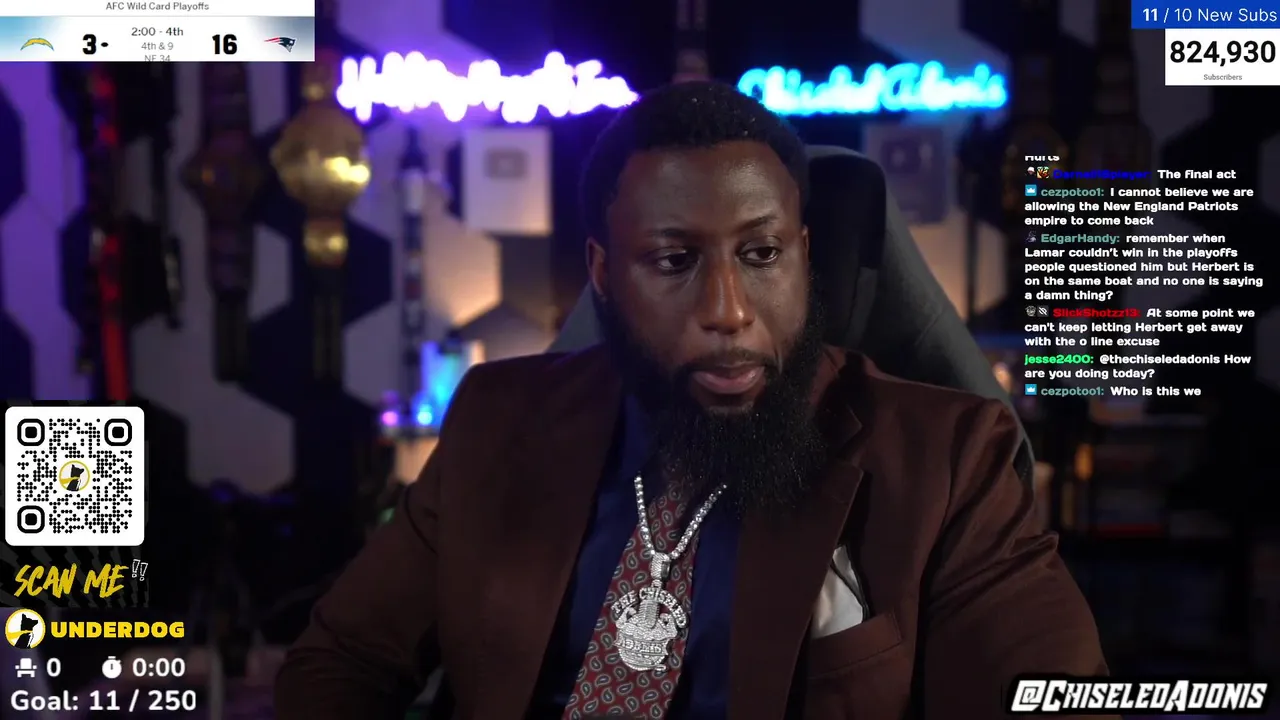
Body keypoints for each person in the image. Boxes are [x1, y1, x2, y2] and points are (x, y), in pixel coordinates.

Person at [275, 81, 1110, 719]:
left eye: (761, 254)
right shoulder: (500, 419)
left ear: (804, 254)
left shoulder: (950, 459)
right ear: (604, 275)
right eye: (675, 262)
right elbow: (341, 661)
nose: (729, 310)